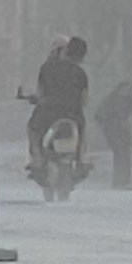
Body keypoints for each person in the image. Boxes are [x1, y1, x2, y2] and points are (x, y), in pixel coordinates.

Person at [28, 36, 89, 177]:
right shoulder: (81, 73)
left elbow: (40, 93)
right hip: (74, 116)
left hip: (47, 115)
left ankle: (37, 159)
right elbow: (84, 100)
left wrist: (35, 99)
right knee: (82, 131)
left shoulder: (47, 68)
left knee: (33, 129)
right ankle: (82, 160)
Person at [94, 76, 132, 188]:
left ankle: (122, 180)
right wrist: (127, 132)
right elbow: (121, 112)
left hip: (111, 119)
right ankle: (121, 181)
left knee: (122, 149)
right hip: (109, 120)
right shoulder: (129, 91)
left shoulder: (130, 90)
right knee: (121, 149)